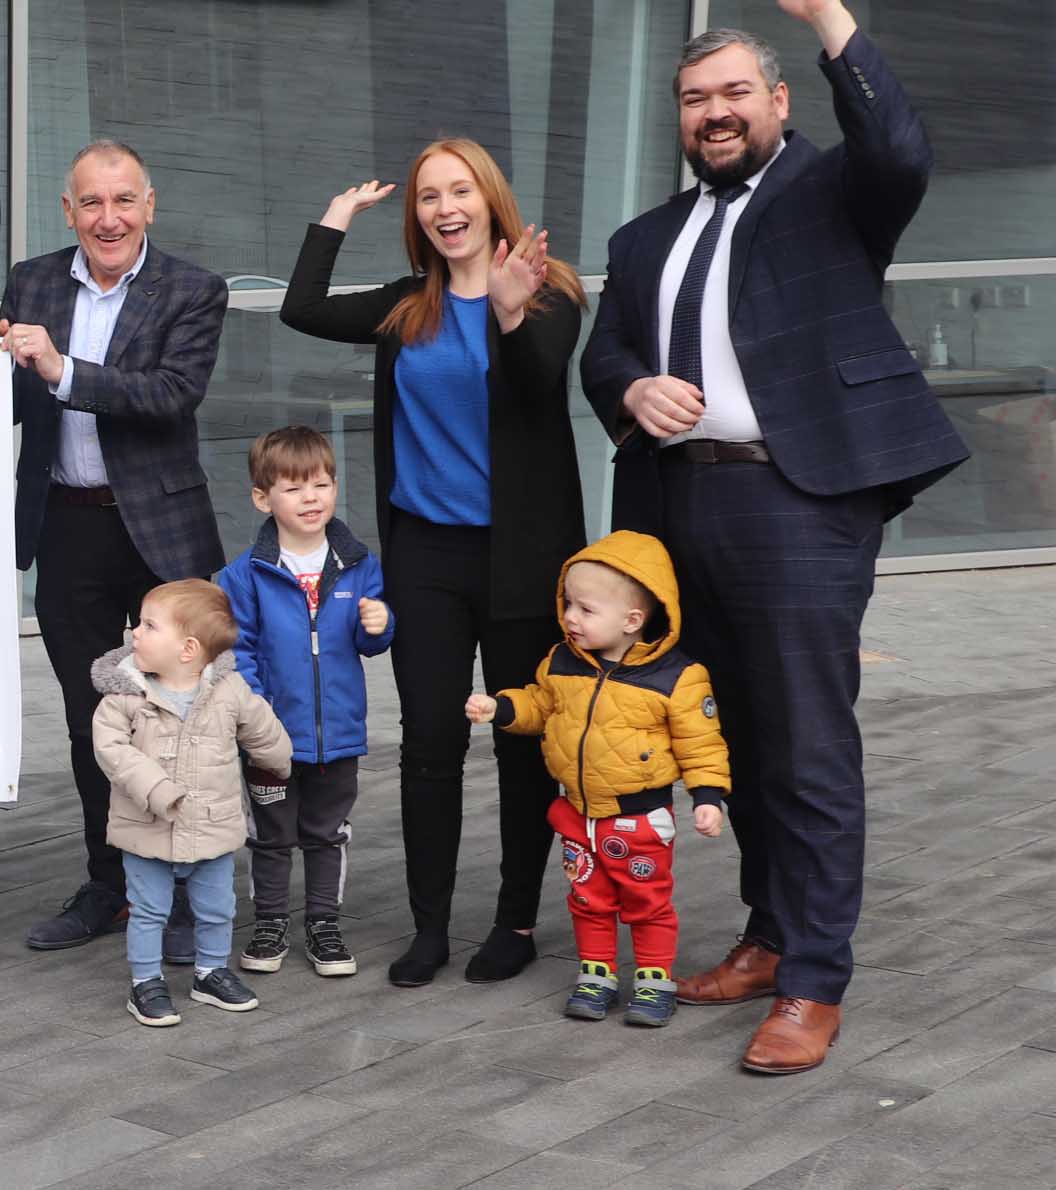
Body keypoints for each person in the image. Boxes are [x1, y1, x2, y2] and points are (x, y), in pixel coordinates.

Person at [579, 1, 959, 1075]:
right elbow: (603, 357)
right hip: (675, 508)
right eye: (696, 98)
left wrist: (831, 20)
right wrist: (631, 386)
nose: (716, 111)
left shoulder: (833, 191)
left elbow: (899, 148)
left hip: (798, 499)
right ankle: (769, 931)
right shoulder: (644, 236)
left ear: (780, 101)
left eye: (736, 91)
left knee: (806, 746)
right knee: (728, 738)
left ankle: (813, 979)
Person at [276, 137, 588, 988]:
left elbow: (538, 388)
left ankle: (517, 923)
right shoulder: (407, 305)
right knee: (431, 742)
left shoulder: (551, 292)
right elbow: (300, 309)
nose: (445, 208)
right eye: (427, 198)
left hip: (523, 556)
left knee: (523, 741)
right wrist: (333, 221)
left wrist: (513, 314)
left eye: (459, 192)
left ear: (490, 199)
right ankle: (429, 928)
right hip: (427, 554)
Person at [0, 139, 226, 959]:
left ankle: (189, 892)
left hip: (160, 533)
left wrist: (59, 366)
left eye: (124, 201)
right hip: (67, 524)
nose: (108, 218)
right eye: (91, 202)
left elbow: (169, 396)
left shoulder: (194, 288)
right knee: (95, 719)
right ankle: (109, 883)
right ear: (68, 210)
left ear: (149, 205)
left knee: (181, 717)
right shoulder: (36, 280)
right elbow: (20, 398)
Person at [467, 532, 731, 1028]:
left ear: (632, 620)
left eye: (585, 609)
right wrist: (500, 707)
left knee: (647, 902)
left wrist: (708, 796)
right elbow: (539, 705)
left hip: (640, 818)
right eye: (568, 604)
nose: (569, 617)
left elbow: (702, 741)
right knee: (587, 899)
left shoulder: (678, 675)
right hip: (577, 815)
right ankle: (597, 975)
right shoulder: (561, 662)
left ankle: (655, 980)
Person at [215, 427, 392, 979]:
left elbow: (369, 642)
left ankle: (324, 924)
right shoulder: (244, 575)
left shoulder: (359, 564)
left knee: (327, 833)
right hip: (270, 738)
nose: (312, 497)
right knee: (270, 836)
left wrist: (381, 625)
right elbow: (239, 654)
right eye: (294, 489)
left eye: (322, 483)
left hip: (338, 733)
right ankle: (269, 922)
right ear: (262, 499)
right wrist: (260, 724)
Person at [88, 579, 290, 1027]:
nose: (134, 633)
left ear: (188, 649)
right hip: (146, 825)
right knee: (149, 910)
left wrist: (278, 760)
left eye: (148, 625)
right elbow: (112, 751)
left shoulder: (228, 689)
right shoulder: (123, 697)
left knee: (218, 907)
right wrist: (157, 789)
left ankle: (211, 972)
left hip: (213, 822)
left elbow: (260, 726)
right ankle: (145, 982)